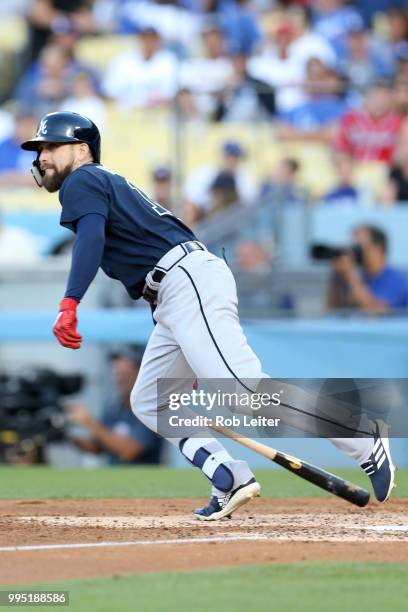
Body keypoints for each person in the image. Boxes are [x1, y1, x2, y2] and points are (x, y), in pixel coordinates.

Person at [20, 111, 396, 520]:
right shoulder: (100, 181)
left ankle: (360, 434)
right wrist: (187, 338)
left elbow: (91, 238)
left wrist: (70, 301)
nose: (43, 157)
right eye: (40, 149)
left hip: (185, 282)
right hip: (175, 292)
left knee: (245, 394)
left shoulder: (83, 178)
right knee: (151, 400)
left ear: (81, 149)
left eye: (51, 146)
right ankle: (228, 476)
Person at [67, 345, 163, 464]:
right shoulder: (113, 407)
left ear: (142, 374)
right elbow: (97, 447)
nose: (120, 379)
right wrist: (67, 437)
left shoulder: (152, 407)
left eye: (126, 373)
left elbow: (129, 451)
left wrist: (90, 422)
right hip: (113, 480)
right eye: (117, 373)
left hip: (145, 480)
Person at [326, 225, 408, 313]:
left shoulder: (396, 279)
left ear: (378, 248)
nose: (353, 252)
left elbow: (376, 312)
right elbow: (331, 311)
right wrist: (338, 275)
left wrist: (350, 276)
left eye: (359, 246)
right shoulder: (359, 277)